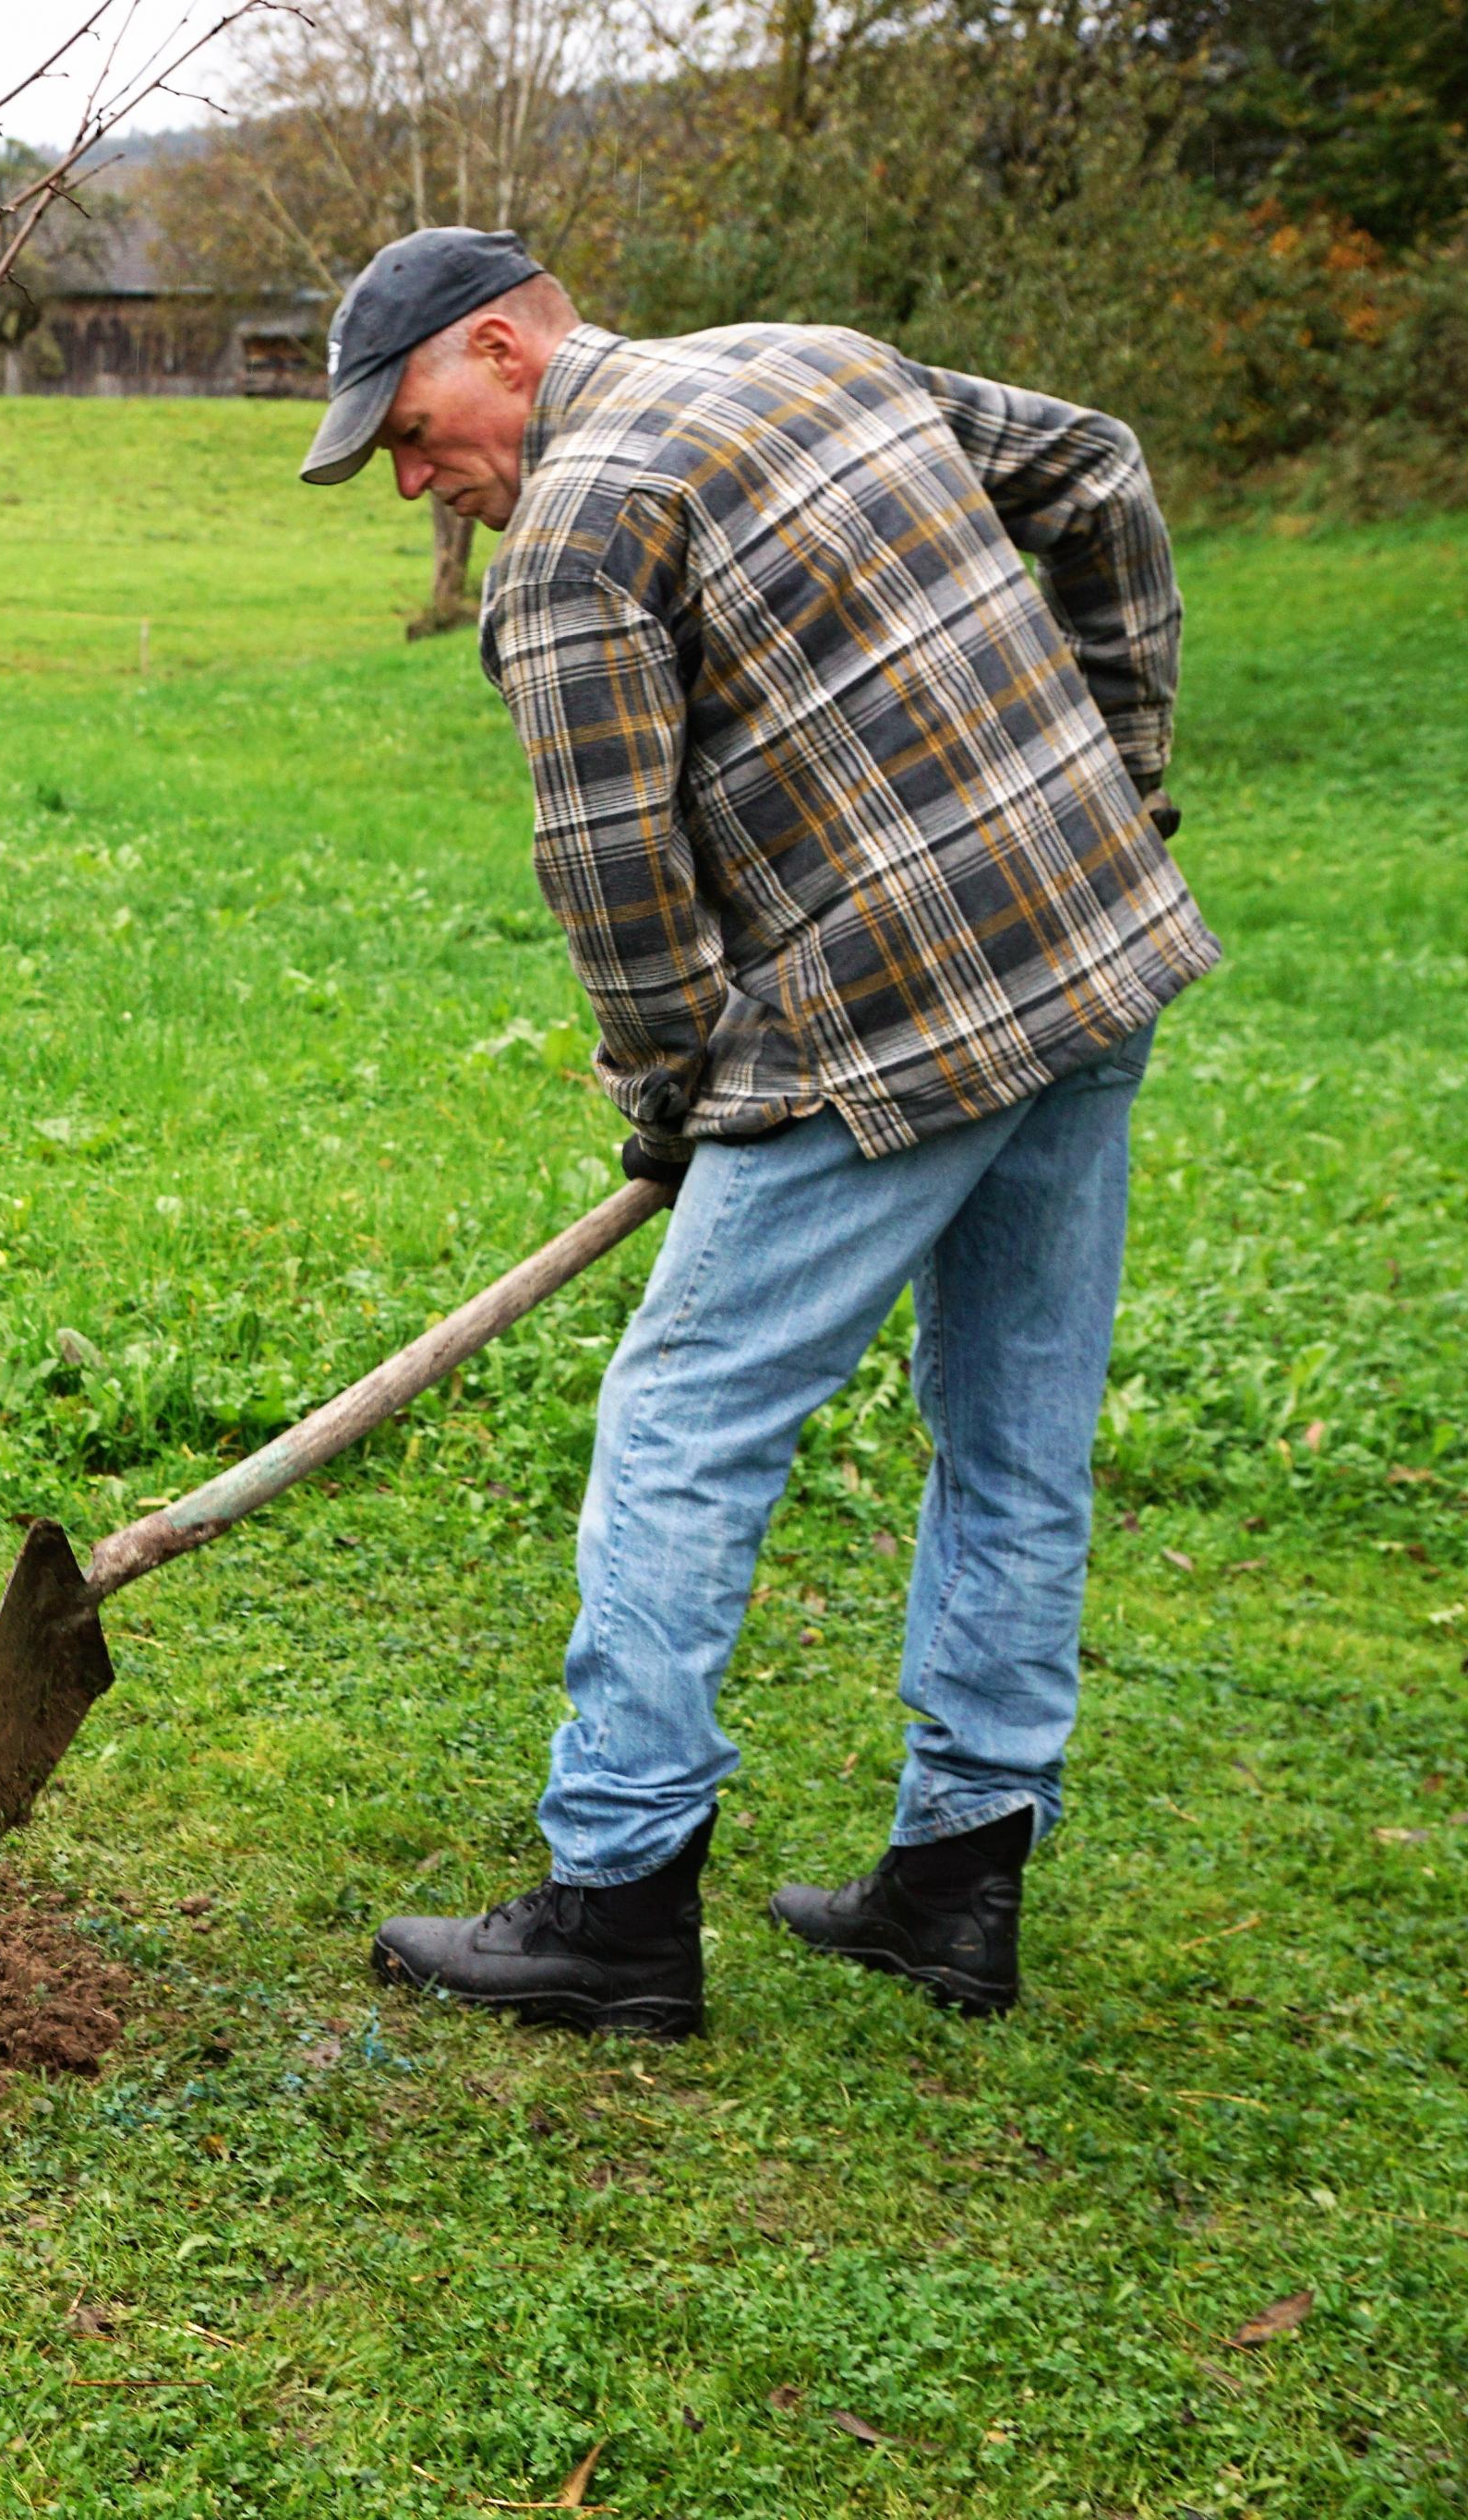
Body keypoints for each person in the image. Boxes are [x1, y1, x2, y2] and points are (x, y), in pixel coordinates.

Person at [296, 231, 1218, 2035]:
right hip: (1091, 946)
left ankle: (616, 1903)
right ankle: (958, 1884)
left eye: (407, 432)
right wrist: (1121, 774)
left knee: (678, 1423)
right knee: (1014, 1428)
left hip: (891, 1018)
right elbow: (1099, 469)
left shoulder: (568, 541)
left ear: (500, 350)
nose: (411, 483)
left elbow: (616, 888)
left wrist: (665, 1098)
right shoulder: (818, 357)